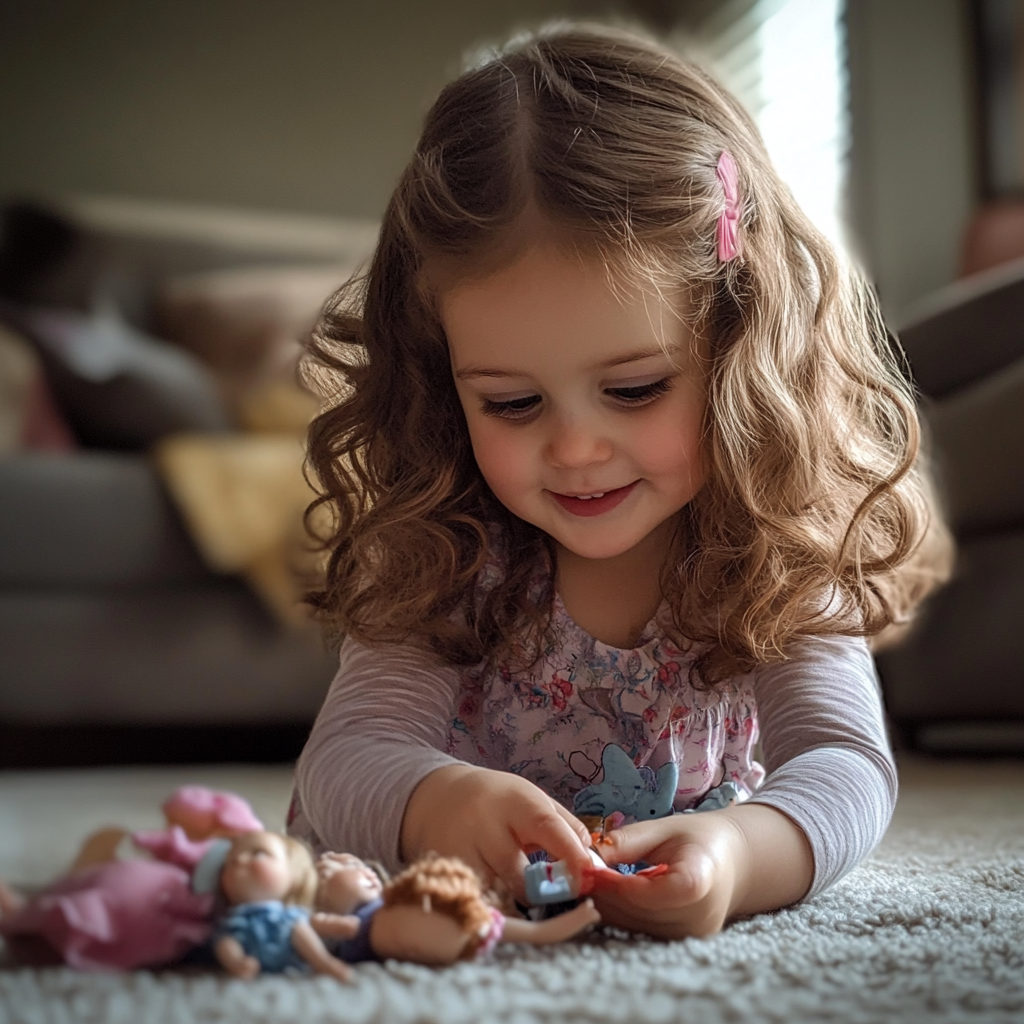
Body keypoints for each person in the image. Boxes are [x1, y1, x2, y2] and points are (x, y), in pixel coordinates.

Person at [288, 23, 952, 940]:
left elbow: (844, 765)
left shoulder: (776, 542)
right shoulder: (446, 548)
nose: (575, 450)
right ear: (443, 382)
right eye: (513, 403)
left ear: (737, 354)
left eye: (634, 389)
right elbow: (344, 760)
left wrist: (735, 855)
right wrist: (439, 800)